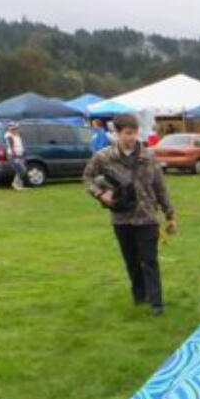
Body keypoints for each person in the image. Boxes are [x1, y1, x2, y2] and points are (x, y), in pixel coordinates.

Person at [82, 113, 177, 316]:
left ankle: (156, 302)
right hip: (121, 218)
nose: (132, 137)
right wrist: (101, 195)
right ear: (116, 133)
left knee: (149, 260)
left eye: (134, 133)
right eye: (127, 133)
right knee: (131, 260)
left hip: (147, 217)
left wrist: (170, 214)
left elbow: (160, 187)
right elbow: (87, 178)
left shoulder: (148, 156)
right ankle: (139, 296)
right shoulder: (104, 157)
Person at [4, 123, 27, 190]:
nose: (16, 129)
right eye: (15, 128)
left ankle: (19, 185)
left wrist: (23, 153)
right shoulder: (8, 135)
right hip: (13, 155)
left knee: (21, 170)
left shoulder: (17, 135)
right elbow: (11, 145)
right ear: (10, 128)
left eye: (16, 128)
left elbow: (20, 144)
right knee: (22, 169)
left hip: (20, 154)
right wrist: (14, 154)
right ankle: (15, 183)